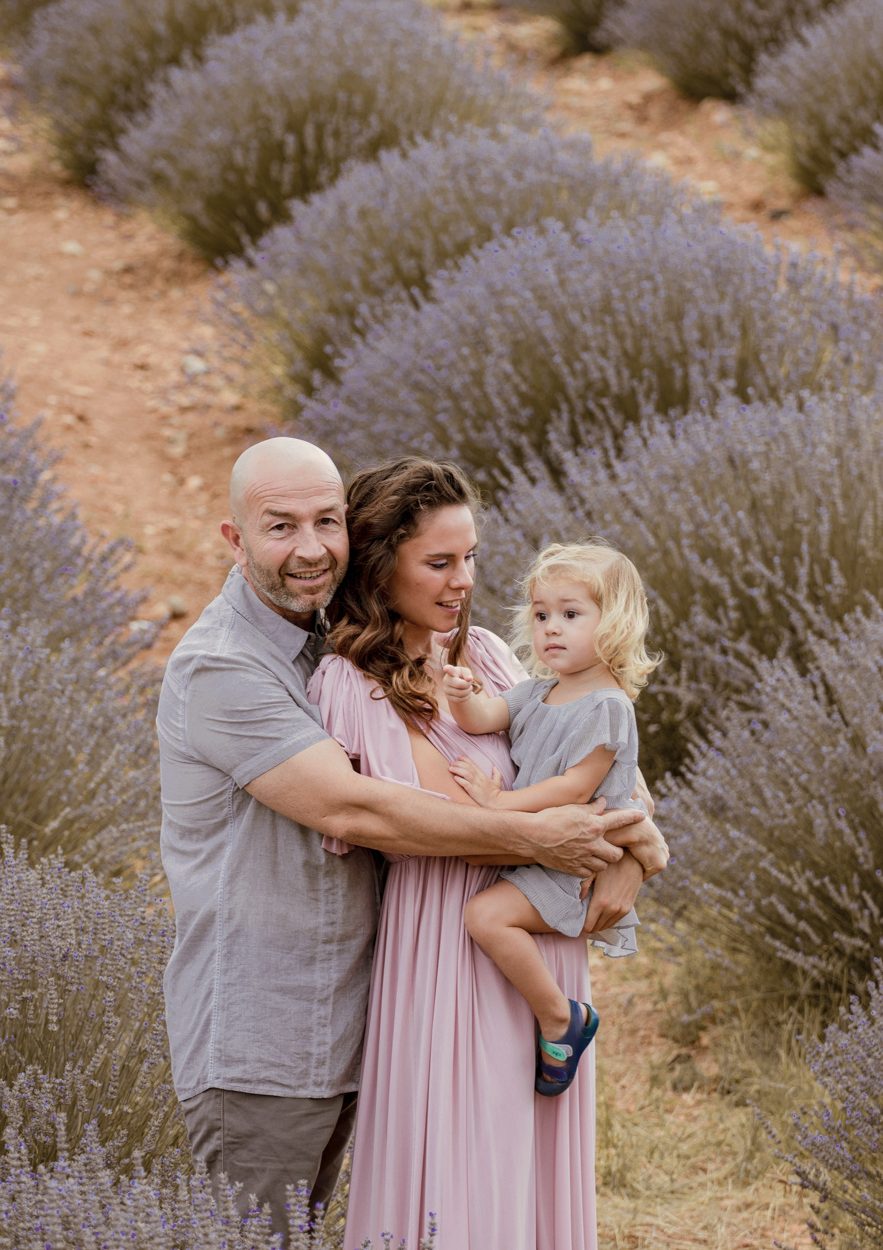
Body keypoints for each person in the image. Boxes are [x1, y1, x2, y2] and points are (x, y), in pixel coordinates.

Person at [155, 438, 664, 1240]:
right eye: (280, 526)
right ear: (235, 536)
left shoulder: (478, 655)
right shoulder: (234, 668)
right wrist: (557, 841)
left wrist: (638, 848)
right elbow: (369, 814)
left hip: (398, 996)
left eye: (327, 522)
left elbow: (593, 749)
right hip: (275, 1024)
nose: (311, 547)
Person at [310, 458, 661, 1250]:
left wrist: (635, 856)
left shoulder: (500, 662)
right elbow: (411, 819)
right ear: (379, 564)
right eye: (438, 562)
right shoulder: (346, 683)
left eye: (470, 557)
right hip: (440, 944)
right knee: (456, 1172)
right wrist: (553, 828)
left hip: (532, 938)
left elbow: (612, 774)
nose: (463, 580)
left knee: (526, 1170)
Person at [442, 541, 654, 1098]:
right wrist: (460, 696)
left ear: (615, 625)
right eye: (540, 615)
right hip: (539, 844)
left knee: (486, 918)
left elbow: (574, 789)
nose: (550, 629)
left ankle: (561, 1018)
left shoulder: (608, 705)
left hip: (571, 861)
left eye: (570, 614)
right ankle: (554, 1017)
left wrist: (496, 805)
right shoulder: (537, 692)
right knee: (486, 918)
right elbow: (487, 715)